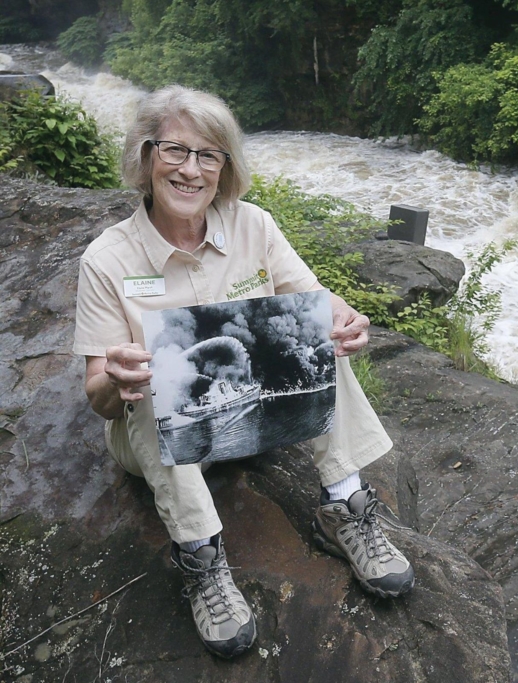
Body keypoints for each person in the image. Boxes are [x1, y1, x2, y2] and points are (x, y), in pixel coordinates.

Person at [73, 85, 414, 659]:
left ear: (225, 168)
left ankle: (344, 505)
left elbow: (315, 300)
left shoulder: (254, 225)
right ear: (145, 156)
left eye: (209, 155)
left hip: (251, 416)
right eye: (175, 151)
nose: (190, 170)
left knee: (319, 341)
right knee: (160, 378)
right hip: (158, 438)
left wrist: (345, 321)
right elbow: (98, 398)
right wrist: (116, 376)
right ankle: (203, 559)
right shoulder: (106, 260)